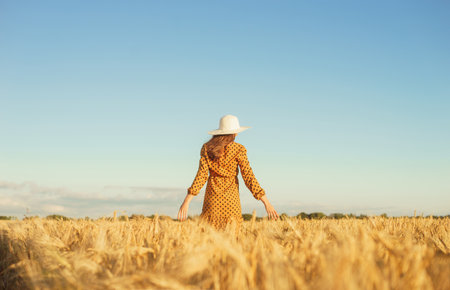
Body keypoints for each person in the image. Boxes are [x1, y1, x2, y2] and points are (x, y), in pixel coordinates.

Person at [177, 115, 279, 230]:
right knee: (232, 239)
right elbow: (249, 177)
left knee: (211, 240)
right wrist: (266, 202)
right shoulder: (239, 149)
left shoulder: (207, 148)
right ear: (234, 133)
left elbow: (201, 176)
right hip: (232, 203)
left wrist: (186, 201)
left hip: (212, 202)